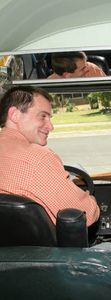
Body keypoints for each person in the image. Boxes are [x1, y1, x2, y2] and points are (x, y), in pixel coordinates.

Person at [0, 85, 100, 226]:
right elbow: (84, 215)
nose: (50, 126)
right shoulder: (38, 159)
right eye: (43, 116)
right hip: (36, 248)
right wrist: (91, 200)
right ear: (15, 115)